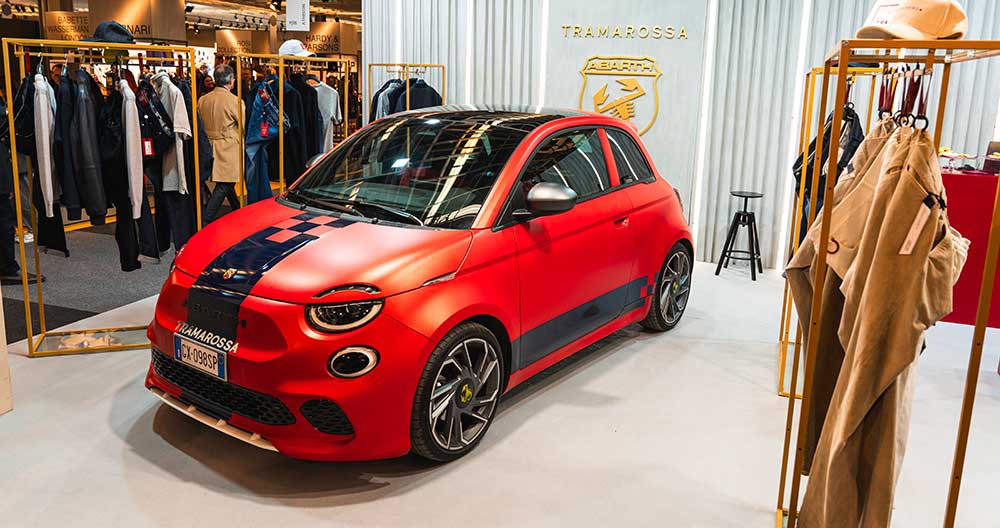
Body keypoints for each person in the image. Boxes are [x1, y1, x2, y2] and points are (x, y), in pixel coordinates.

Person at [198, 64, 242, 223]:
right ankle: (206, 219)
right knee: (226, 182)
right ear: (231, 80)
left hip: (207, 145)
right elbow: (243, 125)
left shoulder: (203, 99)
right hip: (228, 145)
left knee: (226, 182)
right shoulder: (234, 101)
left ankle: (237, 209)